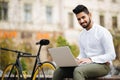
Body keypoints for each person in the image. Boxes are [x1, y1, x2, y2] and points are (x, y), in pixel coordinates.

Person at [52, 4, 116, 80]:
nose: (81, 21)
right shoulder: (81, 35)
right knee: (58, 71)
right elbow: (83, 53)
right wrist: (77, 59)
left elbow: (112, 55)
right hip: (87, 65)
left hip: (103, 65)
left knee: (78, 71)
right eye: (79, 19)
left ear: (90, 15)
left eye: (83, 17)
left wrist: (91, 59)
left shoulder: (103, 32)